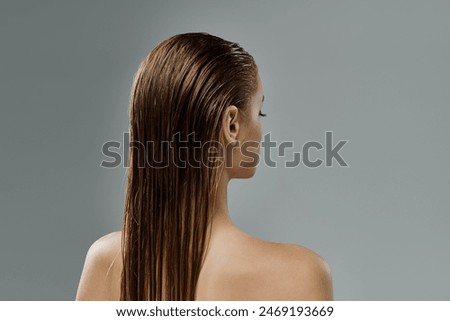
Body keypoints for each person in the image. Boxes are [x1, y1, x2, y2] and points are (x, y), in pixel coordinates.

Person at [76, 32, 333, 301]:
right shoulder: (300, 273)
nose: (262, 129)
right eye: (260, 112)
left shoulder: (106, 262)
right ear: (231, 124)